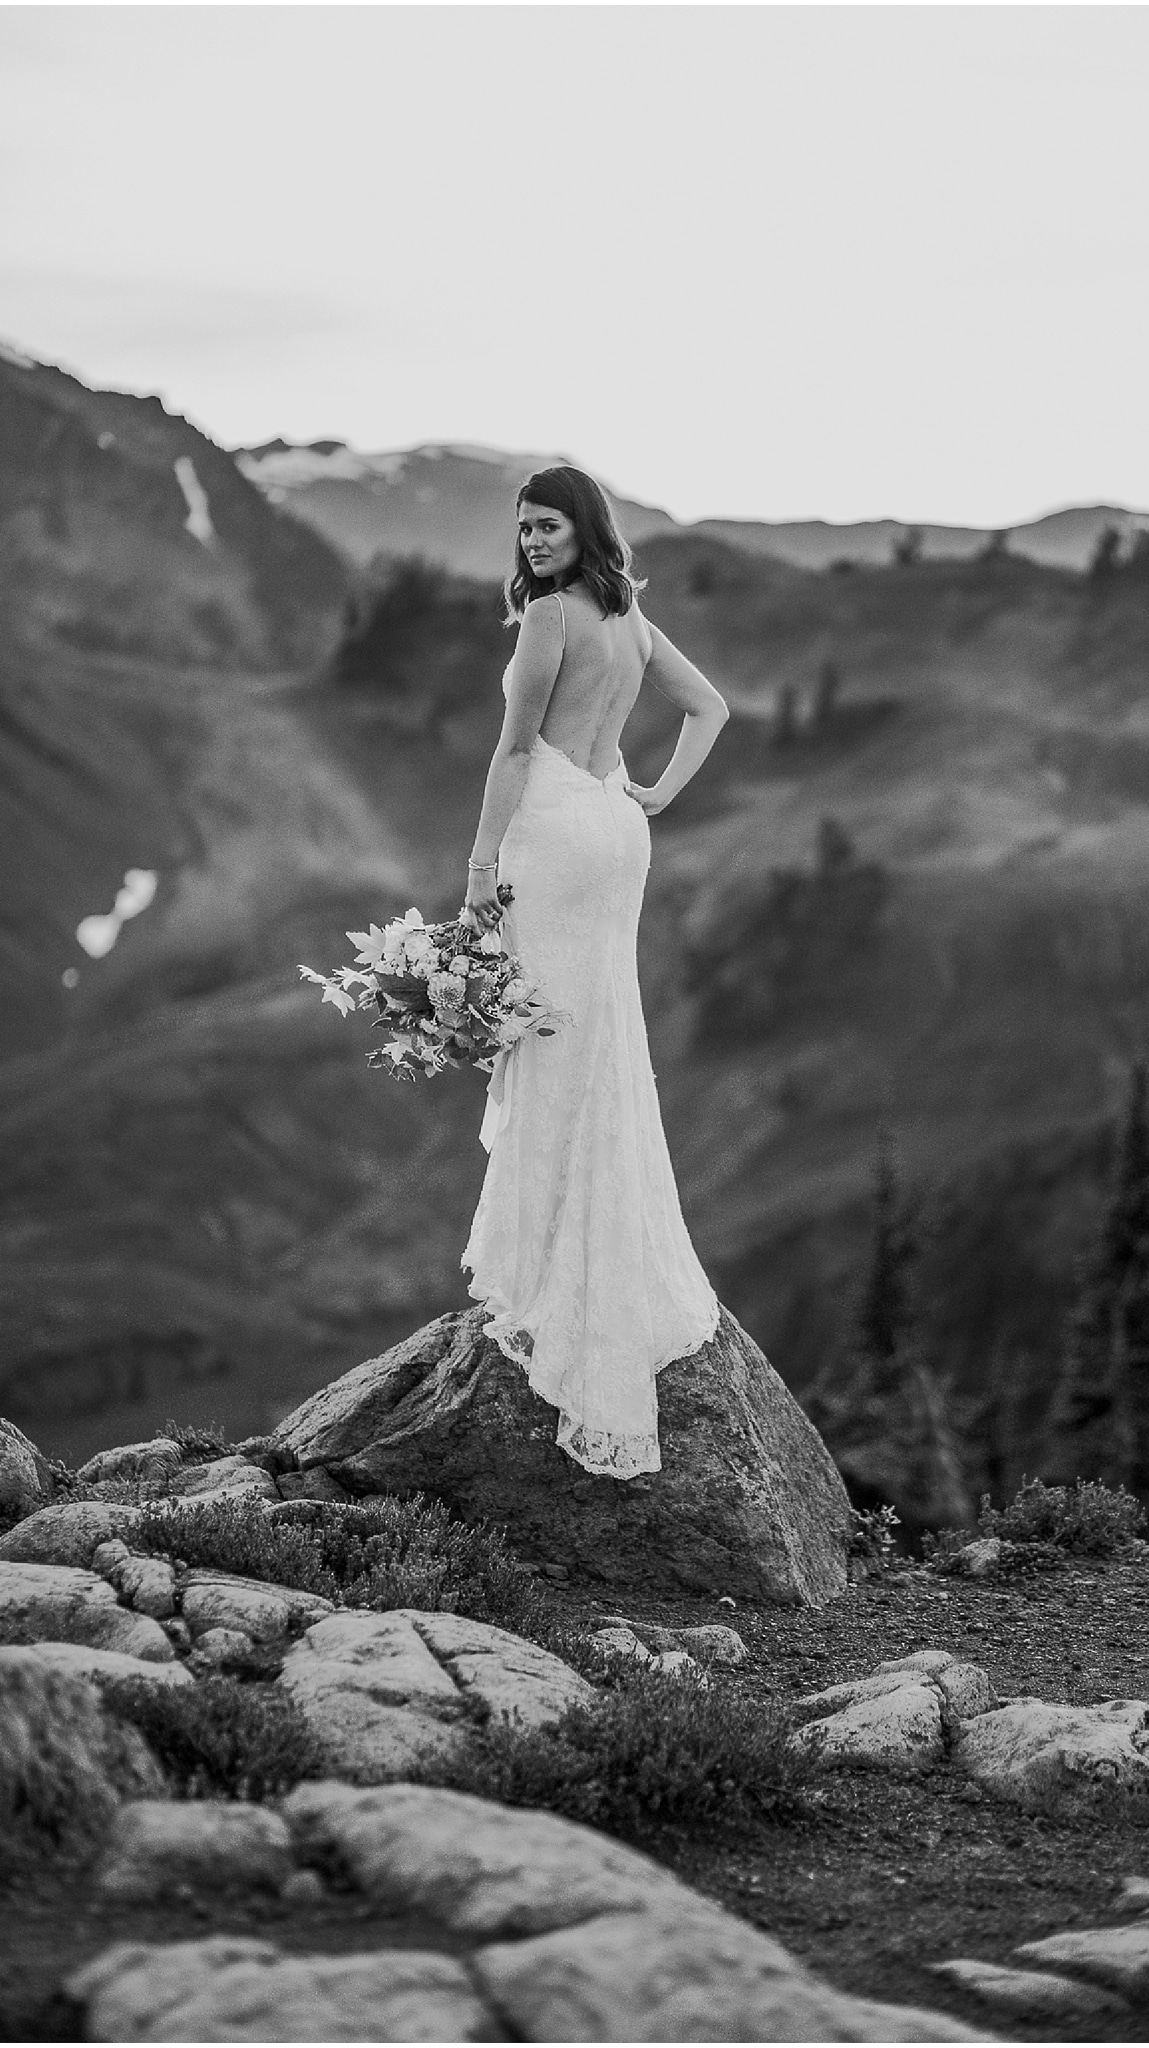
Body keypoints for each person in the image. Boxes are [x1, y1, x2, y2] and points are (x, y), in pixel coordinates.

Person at [459, 464, 729, 1479]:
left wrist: (480, 871)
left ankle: (553, 1276)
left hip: (559, 835)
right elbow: (710, 710)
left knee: (551, 1036)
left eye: (546, 526)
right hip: (615, 828)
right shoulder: (630, 620)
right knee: (595, 1032)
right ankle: (586, 1254)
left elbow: (514, 752)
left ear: (584, 529)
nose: (530, 542)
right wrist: (654, 792)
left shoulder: (552, 622)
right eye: (522, 528)